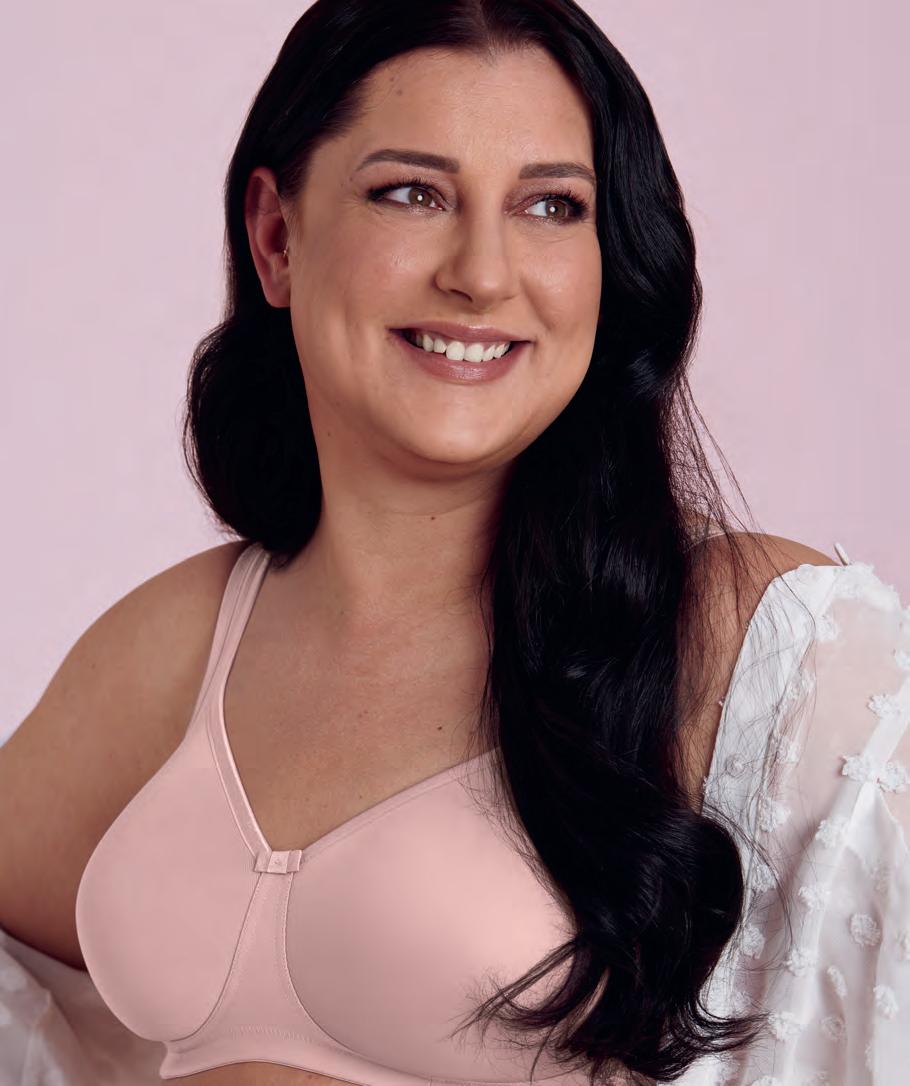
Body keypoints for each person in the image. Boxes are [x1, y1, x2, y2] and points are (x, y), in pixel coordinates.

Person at [1, 1, 906, 1084]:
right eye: (411, 193)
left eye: (551, 206)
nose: (481, 273)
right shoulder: (178, 644)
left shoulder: (767, 645)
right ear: (277, 237)